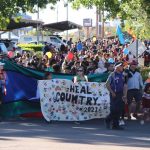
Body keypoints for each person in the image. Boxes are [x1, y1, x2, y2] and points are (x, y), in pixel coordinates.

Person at [105, 62, 127, 130]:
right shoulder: (112, 74)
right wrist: (112, 92)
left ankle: (115, 125)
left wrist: (125, 95)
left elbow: (125, 86)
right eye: (121, 66)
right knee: (114, 109)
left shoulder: (123, 75)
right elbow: (107, 84)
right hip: (114, 94)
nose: (122, 67)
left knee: (119, 110)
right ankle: (107, 119)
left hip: (120, 94)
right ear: (117, 67)